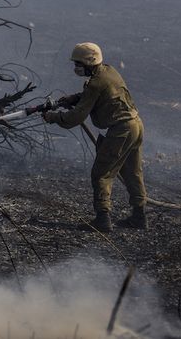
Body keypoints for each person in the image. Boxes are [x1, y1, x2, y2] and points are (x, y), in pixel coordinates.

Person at [42, 42, 147, 232]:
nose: (76, 68)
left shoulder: (95, 83)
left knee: (101, 174)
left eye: (79, 64)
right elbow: (99, 94)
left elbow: (76, 117)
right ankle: (139, 217)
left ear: (90, 62)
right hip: (135, 125)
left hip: (121, 130)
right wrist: (74, 98)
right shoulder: (108, 71)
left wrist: (53, 117)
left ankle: (102, 219)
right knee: (133, 172)